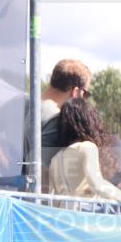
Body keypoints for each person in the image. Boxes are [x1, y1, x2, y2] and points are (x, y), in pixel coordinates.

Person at [47, 98, 121, 215]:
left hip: (64, 218)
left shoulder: (55, 159)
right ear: (89, 121)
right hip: (86, 216)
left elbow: (54, 200)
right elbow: (97, 184)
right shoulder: (87, 147)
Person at [30, 59, 92, 188]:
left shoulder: (27, 103)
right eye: (86, 93)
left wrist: (6, 162)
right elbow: (44, 168)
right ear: (75, 92)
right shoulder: (56, 117)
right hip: (40, 200)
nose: (85, 99)